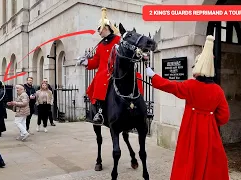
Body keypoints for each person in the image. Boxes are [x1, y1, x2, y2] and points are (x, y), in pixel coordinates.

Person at [145, 35, 230, 180]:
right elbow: (224, 117)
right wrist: (208, 119)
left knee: (189, 160)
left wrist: (153, 76)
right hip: (210, 133)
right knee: (209, 163)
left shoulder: (191, 86)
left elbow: (170, 86)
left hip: (191, 130)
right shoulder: (218, 90)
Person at [76, 7, 143, 125]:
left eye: (99, 29)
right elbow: (96, 61)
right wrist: (86, 62)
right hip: (104, 72)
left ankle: (138, 107)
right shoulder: (100, 45)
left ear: (105, 28)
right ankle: (100, 112)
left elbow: (127, 51)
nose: (98, 32)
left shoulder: (118, 40)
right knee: (100, 81)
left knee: (133, 80)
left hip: (119, 70)